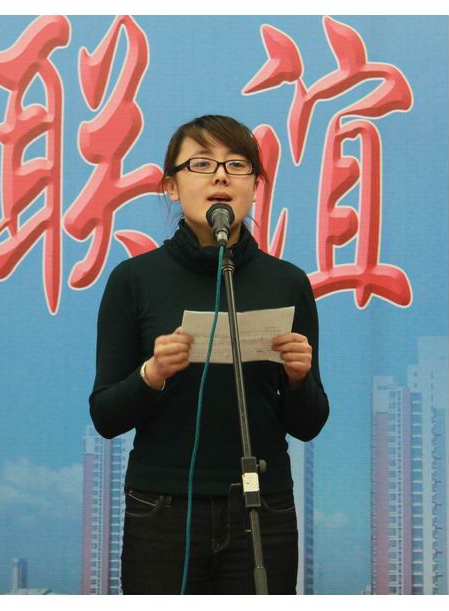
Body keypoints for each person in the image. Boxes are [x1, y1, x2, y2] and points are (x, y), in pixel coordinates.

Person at [89, 115, 329, 594]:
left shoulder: (287, 282)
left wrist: (300, 379)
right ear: (171, 186)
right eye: (201, 164)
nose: (220, 176)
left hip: (263, 509)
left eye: (236, 165)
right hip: (162, 510)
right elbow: (106, 416)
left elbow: (308, 424)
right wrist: (152, 373)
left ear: (255, 188)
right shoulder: (134, 280)